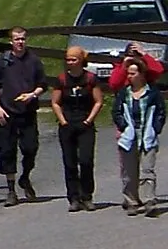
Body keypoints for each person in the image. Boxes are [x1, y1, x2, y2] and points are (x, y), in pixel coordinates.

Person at [0, 27, 47, 206]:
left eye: (23, 39)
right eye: (17, 39)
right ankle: (11, 190)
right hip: (7, 112)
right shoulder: (3, 61)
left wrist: (32, 95)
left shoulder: (34, 61)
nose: (20, 42)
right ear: (11, 41)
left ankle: (25, 177)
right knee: (7, 150)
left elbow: (43, 84)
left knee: (30, 148)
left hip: (27, 112)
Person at [51, 45, 103, 211]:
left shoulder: (90, 79)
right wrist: (63, 121)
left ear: (81, 61)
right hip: (67, 125)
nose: (70, 62)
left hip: (85, 124)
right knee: (70, 162)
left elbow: (98, 101)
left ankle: (87, 195)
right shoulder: (62, 80)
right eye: (68, 59)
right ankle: (73, 197)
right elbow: (55, 102)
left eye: (73, 59)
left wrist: (89, 120)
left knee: (86, 160)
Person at [113, 55, 163, 214]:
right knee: (129, 171)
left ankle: (149, 201)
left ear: (141, 74)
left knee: (147, 169)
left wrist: (156, 128)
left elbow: (161, 112)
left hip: (147, 133)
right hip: (129, 134)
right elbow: (116, 111)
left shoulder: (152, 93)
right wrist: (122, 125)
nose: (129, 76)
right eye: (128, 73)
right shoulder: (124, 93)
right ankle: (132, 201)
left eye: (133, 73)